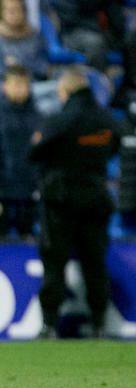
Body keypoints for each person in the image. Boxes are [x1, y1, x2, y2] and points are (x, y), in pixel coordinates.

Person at [30, 66, 121, 338]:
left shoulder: (60, 120)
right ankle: (99, 324)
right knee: (95, 263)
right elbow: (113, 148)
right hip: (96, 197)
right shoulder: (107, 120)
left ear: (66, 91)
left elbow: (35, 152)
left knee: (54, 262)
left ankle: (49, 324)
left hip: (61, 200)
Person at [0, 65, 41, 239]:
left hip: (29, 190)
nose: (20, 89)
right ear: (4, 87)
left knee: (28, 237)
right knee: (0, 237)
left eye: (23, 84)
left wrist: (37, 178)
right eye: (15, 84)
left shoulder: (37, 115)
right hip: (2, 189)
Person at [0, 0, 49, 100]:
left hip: (31, 86)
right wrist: (12, 73)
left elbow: (43, 66)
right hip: (2, 89)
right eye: (11, 11)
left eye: (19, 10)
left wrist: (19, 63)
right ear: (1, 13)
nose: (16, 15)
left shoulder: (34, 36)